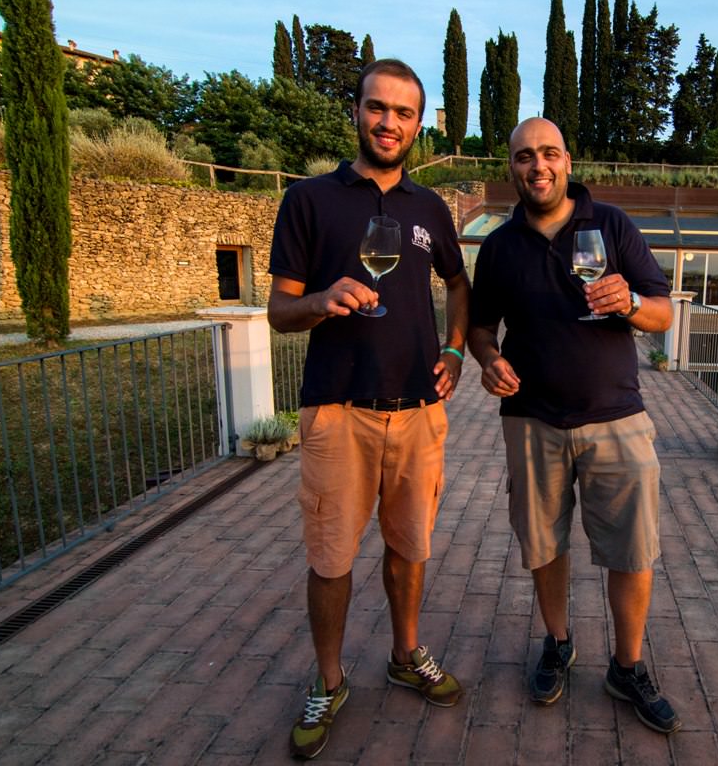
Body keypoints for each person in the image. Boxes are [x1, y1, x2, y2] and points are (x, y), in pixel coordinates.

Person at [268, 58, 470, 760]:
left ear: (419, 124)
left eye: (404, 113)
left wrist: (454, 351)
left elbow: (456, 280)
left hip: (418, 410)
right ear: (354, 112)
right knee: (330, 560)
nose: (389, 122)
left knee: (409, 549)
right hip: (337, 408)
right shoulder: (309, 201)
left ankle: (405, 652)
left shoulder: (429, 208)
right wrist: (320, 303)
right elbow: (278, 309)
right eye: (376, 108)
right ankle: (328, 681)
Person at [468, 117, 680, 734]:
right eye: (525, 156)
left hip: (616, 416)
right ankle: (558, 642)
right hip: (532, 420)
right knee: (544, 543)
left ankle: (627, 665)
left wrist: (632, 304)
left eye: (550, 154)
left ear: (568, 161)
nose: (538, 166)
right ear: (511, 167)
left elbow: (662, 313)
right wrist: (488, 359)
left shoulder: (610, 224)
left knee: (632, 550)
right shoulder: (501, 247)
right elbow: (482, 328)